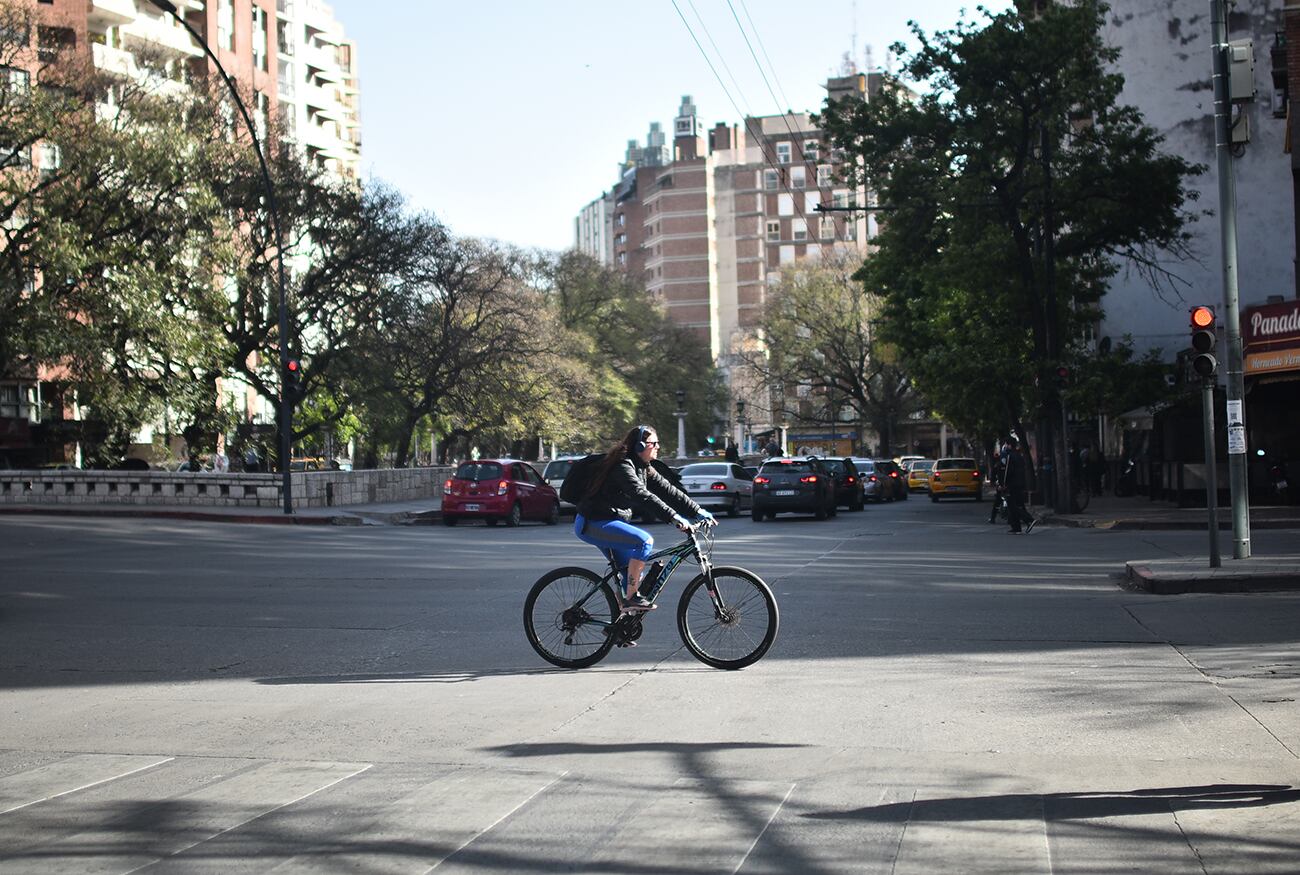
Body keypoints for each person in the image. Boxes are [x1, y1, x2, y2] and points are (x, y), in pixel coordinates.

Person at [574, 425, 714, 615]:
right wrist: (674, 517)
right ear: (640, 446)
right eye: (653, 443)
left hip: (609, 521)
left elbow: (669, 490)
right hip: (593, 523)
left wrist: (697, 510)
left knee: (631, 574)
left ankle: (619, 627)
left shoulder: (644, 468)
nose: (658, 447)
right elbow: (643, 495)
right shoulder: (623, 466)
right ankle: (631, 598)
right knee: (644, 541)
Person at [1003, 436, 1037, 534]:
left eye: (1006, 444)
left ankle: (1028, 520)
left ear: (1009, 445)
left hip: (1012, 484)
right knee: (1016, 505)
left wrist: (1004, 484)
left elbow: (1008, 472)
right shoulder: (1019, 455)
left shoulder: (1010, 456)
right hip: (1020, 483)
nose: (1005, 446)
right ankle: (1016, 527)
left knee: (1013, 505)